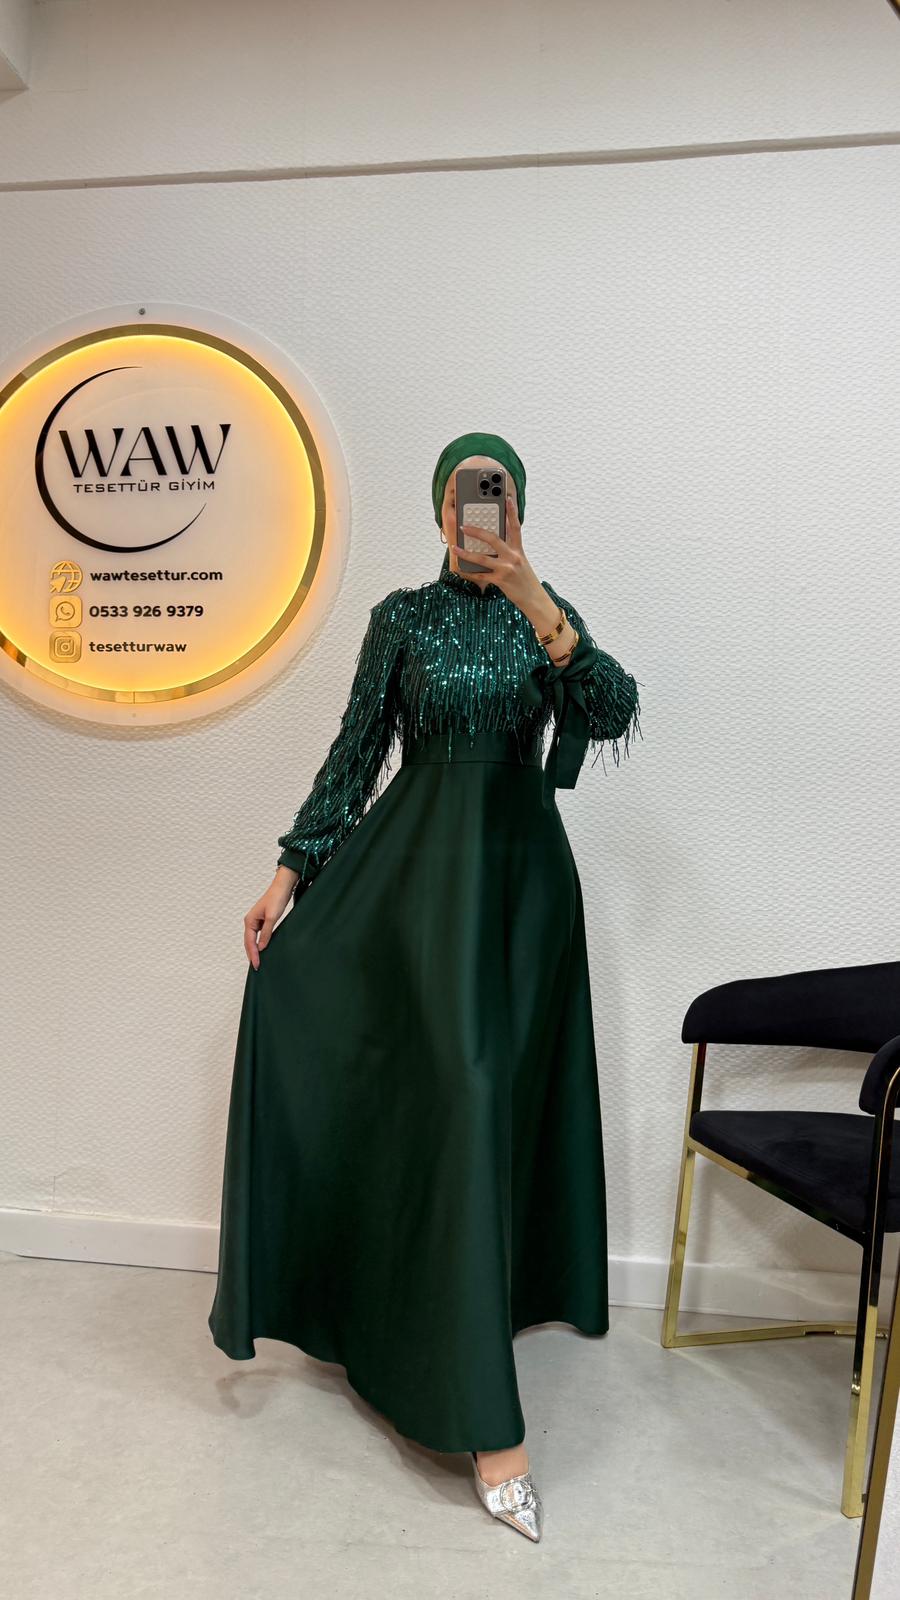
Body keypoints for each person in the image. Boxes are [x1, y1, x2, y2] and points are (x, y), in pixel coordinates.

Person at [207, 430, 641, 1542]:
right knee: (458, 1094)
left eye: (492, 495)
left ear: (517, 509)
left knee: (491, 1105)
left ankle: (464, 1326)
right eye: (459, 495)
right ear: (437, 509)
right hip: (417, 886)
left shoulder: (545, 614)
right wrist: (288, 875)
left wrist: (535, 595)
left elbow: (610, 708)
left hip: (522, 897)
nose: (473, 512)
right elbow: (357, 753)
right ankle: (488, 1422)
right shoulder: (399, 619)